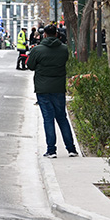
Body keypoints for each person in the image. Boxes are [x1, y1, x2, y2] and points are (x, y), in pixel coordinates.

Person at [27, 24, 78, 158]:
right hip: (58, 87)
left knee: (48, 119)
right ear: (56, 34)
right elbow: (64, 61)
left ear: (44, 35)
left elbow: (30, 66)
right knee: (62, 117)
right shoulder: (63, 49)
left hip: (43, 89)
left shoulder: (37, 50)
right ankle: (71, 149)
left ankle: (51, 150)